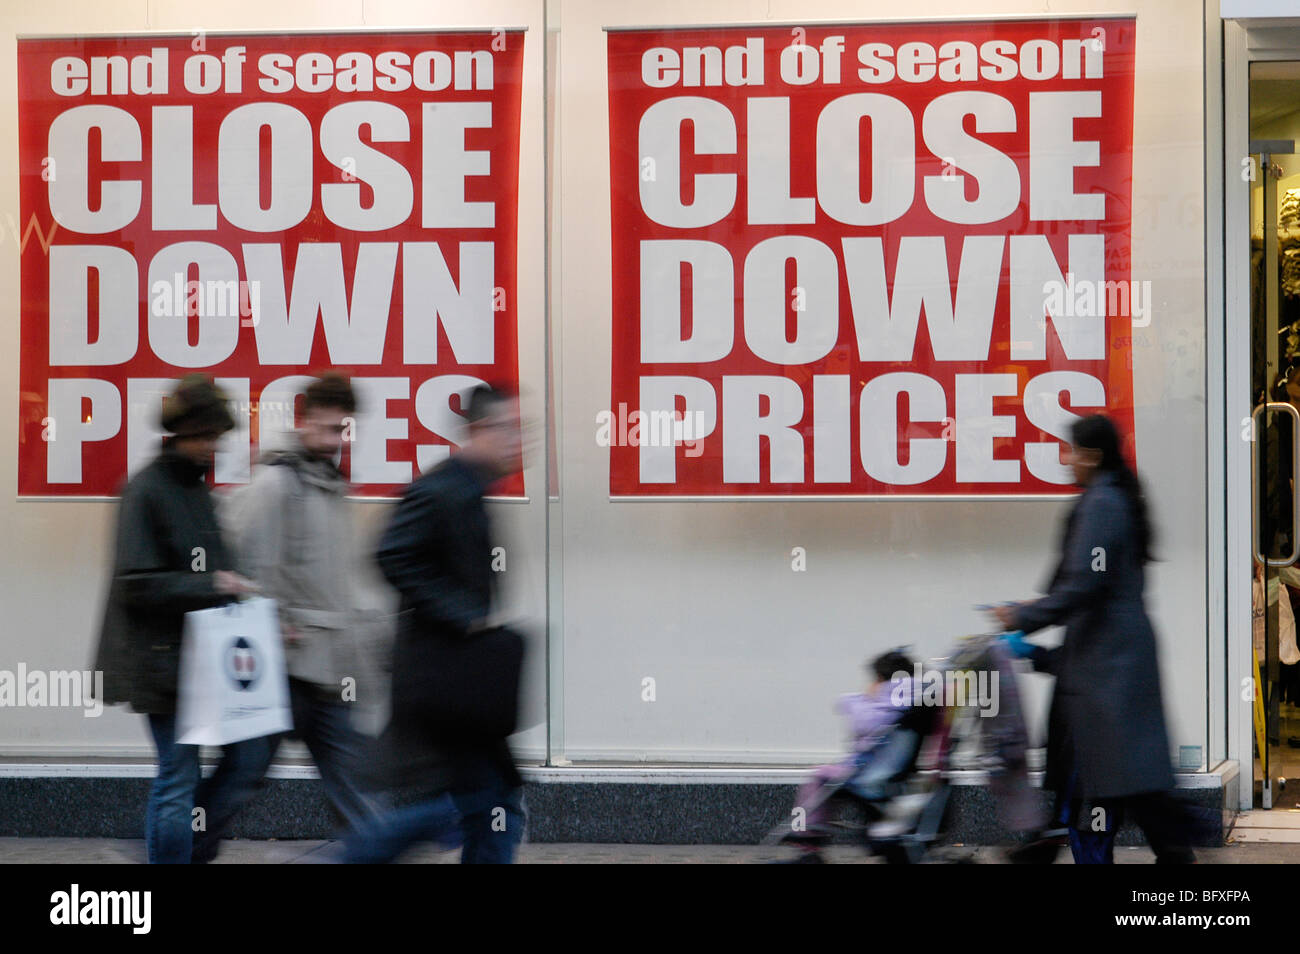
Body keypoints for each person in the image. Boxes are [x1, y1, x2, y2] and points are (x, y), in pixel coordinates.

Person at [987, 413, 1196, 864]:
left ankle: (1074, 846)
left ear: (1093, 456)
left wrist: (1021, 617)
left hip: (1107, 670)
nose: (1066, 461)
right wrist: (1035, 640)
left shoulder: (1102, 504)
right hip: (1111, 662)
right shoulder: (1114, 498)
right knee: (1125, 782)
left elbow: (1085, 584)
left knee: (1106, 781)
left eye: (1072, 451)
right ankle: (1163, 851)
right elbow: (1086, 589)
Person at [345, 384, 526, 864]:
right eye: (510, 429)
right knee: (480, 806)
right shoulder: (442, 489)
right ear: (480, 430)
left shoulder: (470, 491)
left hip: (460, 685)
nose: (518, 442)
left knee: (489, 805)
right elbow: (390, 553)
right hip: (442, 685)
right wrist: (464, 617)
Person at [91, 375, 266, 864]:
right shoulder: (146, 490)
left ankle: (188, 852)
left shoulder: (195, 491)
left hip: (197, 660)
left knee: (226, 763)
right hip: (162, 663)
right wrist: (215, 585)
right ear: (183, 433)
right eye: (208, 437)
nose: (214, 447)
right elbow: (137, 582)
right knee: (178, 777)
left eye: (216, 437)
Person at [221, 373, 381, 837]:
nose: (337, 440)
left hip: (326, 671)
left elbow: (334, 581)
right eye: (329, 428)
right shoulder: (276, 485)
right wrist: (275, 623)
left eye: (343, 429)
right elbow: (245, 569)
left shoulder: (330, 486)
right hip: (281, 670)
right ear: (303, 420)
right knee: (241, 779)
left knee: (354, 788)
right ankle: (182, 847)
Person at [778, 649, 915, 863]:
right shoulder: (912, 699)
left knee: (817, 778)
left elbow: (864, 723)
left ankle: (804, 834)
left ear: (880, 678)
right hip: (891, 772)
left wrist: (857, 700)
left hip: (867, 773)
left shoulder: (888, 699)